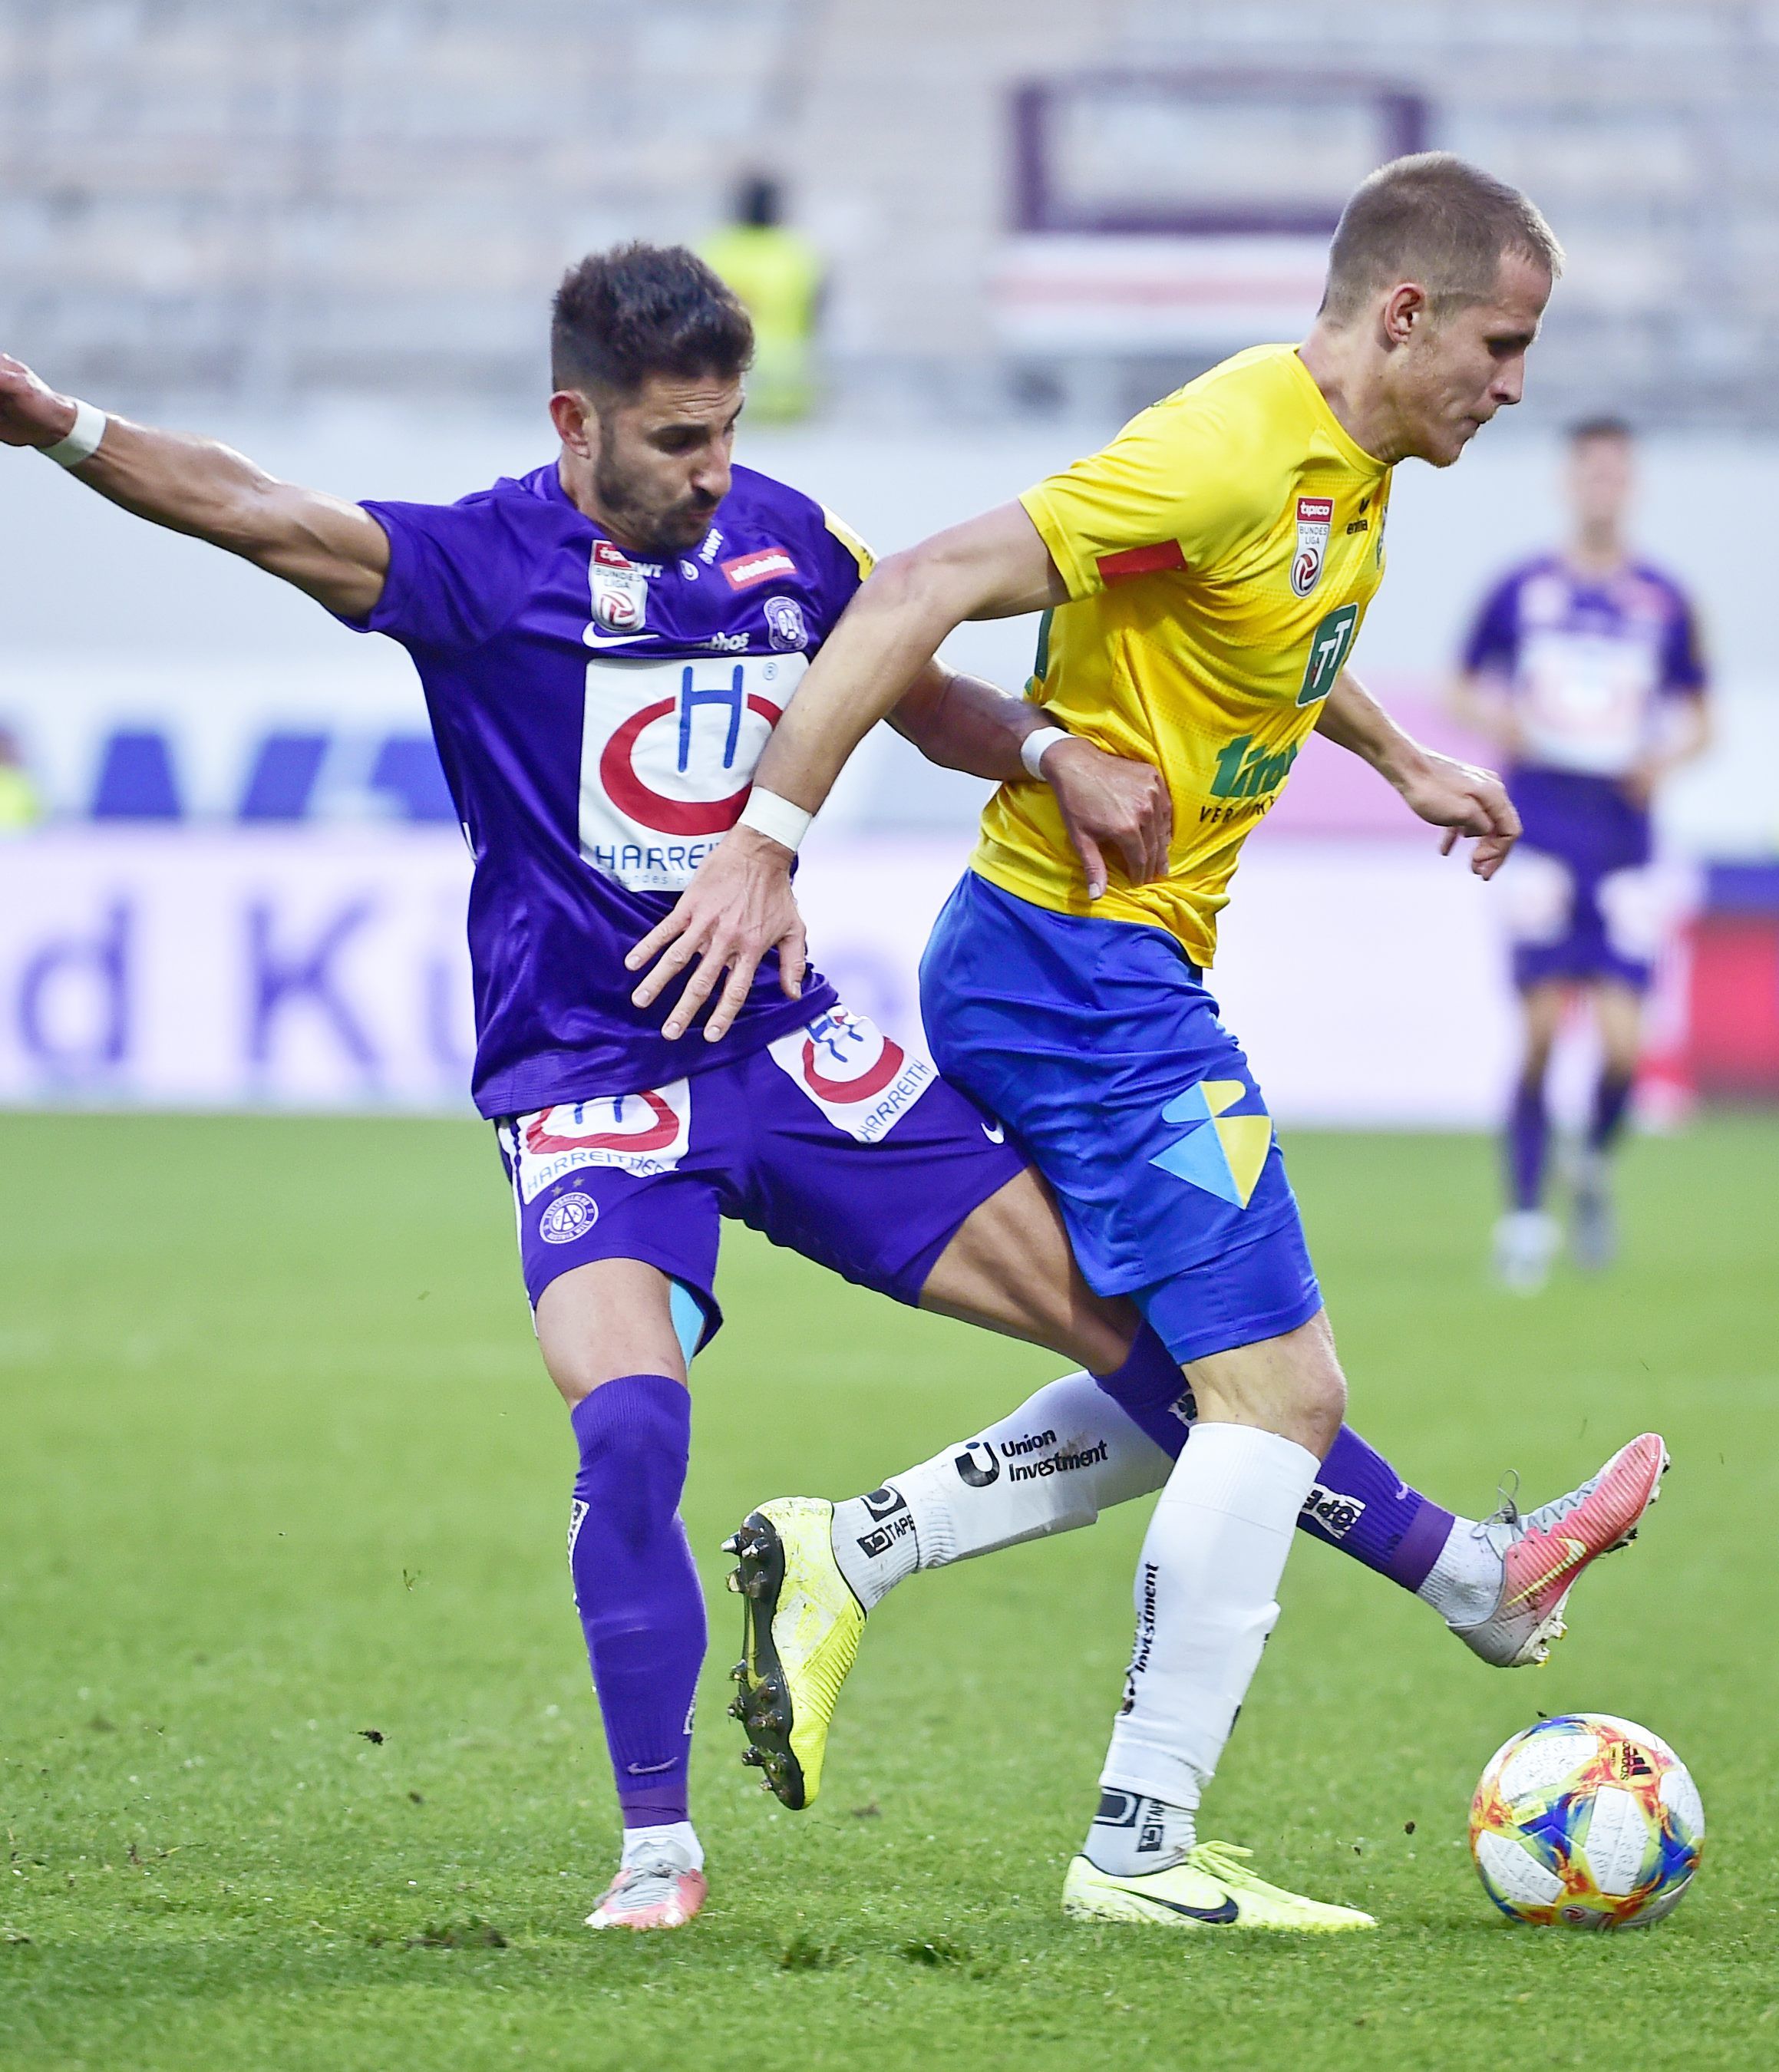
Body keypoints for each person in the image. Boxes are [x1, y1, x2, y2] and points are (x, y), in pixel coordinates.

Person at [0, 240, 1648, 1938]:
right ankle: (657, 1847)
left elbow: (921, 684)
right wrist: (60, 426)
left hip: (791, 1058)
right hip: (591, 1082)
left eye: (725, 431)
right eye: (674, 444)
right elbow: (248, 506)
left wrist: (1044, 747)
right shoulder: (480, 567)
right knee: (633, 1420)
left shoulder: (781, 532)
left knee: (1174, 1360)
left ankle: (1439, 1569)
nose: (713, 475)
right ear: (577, 424)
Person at [621, 155, 1672, 1931]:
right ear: (1400, 312)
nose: (1513, 383)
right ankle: (1141, 1838)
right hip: (1076, 971)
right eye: (1499, 343)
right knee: (1280, 1394)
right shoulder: (1229, 437)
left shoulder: (1337, 467)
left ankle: (848, 1548)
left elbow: (1266, 618)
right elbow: (922, 584)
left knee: (1184, 1369)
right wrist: (764, 840)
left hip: (1094, 965)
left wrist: (1397, 754)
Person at [1447, 416, 1711, 1292]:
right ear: (1570, 482)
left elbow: (1704, 718)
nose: (1602, 487)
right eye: (1589, 472)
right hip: (1541, 829)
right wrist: (1505, 724)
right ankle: (1525, 1218)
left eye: (1616, 474)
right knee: (1537, 1032)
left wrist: (1661, 759)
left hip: (1625, 841)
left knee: (1628, 1049)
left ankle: (1591, 1162)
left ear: (1631, 485)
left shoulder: (1664, 600)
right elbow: (1459, 683)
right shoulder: (1523, 589)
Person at [701, 173, 823, 423]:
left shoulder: (714, 251)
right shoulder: (798, 255)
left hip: (720, 392)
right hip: (787, 387)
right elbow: (816, 317)